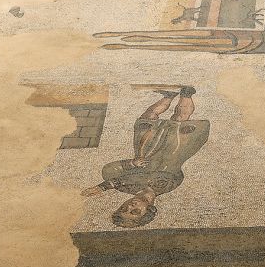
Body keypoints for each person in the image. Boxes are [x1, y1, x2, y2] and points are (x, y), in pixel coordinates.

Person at [87, 87, 210, 228]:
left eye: (123, 208)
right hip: (174, 147)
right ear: (150, 210)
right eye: (135, 211)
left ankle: (169, 96)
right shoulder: (166, 186)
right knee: (179, 119)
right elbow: (169, 175)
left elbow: (109, 171)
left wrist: (132, 164)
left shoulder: (124, 187)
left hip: (145, 148)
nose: (130, 206)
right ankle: (186, 94)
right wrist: (105, 186)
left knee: (148, 117)